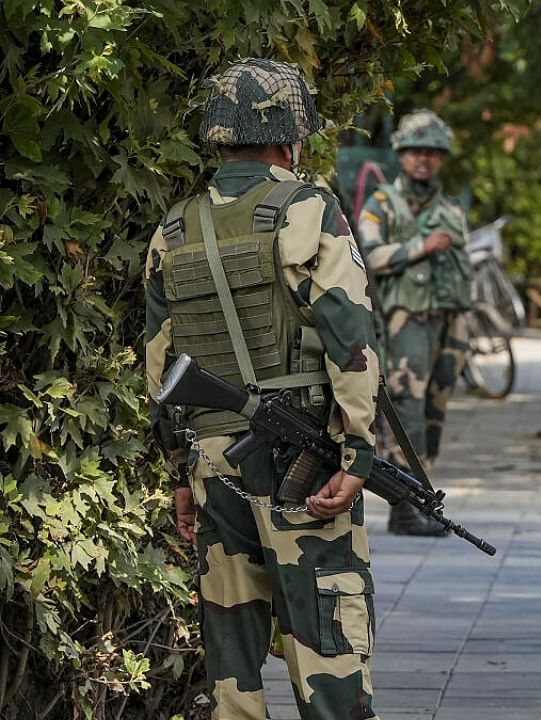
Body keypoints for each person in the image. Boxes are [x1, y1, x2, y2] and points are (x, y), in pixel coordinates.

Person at [144, 58, 381, 718]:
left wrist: (177, 474)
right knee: (329, 647)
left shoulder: (173, 229)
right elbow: (351, 340)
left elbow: (160, 367)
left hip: (213, 463)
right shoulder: (311, 211)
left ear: (218, 137)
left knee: (232, 667)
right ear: (291, 136)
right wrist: (358, 455)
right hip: (303, 469)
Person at [357, 110, 474, 536]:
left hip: (447, 323)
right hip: (404, 324)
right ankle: (405, 506)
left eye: (432, 152)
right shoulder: (382, 204)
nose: (424, 160)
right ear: (401, 156)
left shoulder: (449, 209)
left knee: (433, 412)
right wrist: (421, 247)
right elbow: (369, 255)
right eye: (415, 152)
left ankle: (423, 499)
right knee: (405, 412)